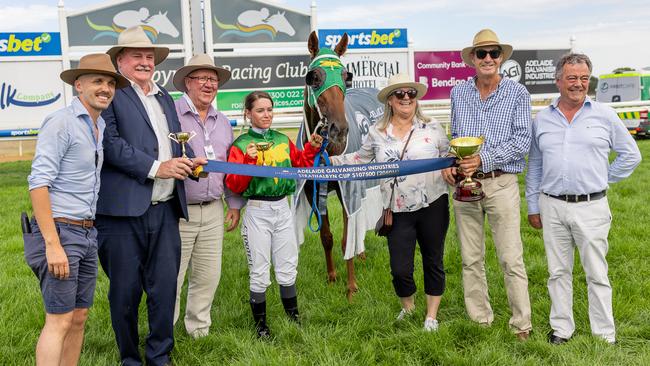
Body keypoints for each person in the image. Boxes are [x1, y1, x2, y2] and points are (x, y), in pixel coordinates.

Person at [95, 26, 206, 366]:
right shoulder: (111, 94)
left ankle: (160, 357)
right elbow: (110, 145)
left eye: (149, 57)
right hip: (122, 214)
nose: (145, 62)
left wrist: (187, 161)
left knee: (164, 290)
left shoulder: (165, 99)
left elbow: (175, 143)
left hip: (165, 210)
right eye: (136, 56)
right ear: (120, 60)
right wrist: (158, 167)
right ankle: (129, 359)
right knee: (125, 293)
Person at [526, 53, 641, 345]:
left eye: (584, 78)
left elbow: (631, 154)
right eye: (572, 78)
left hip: (592, 205)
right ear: (558, 80)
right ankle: (562, 329)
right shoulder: (542, 119)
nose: (578, 84)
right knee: (557, 271)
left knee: (597, 273)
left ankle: (604, 334)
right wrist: (532, 205)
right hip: (551, 204)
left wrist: (604, 178)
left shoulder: (604, 115)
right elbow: (535, 165)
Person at [24, 53, 128, 366]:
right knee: (59, 320)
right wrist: (53, 244)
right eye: (98, 81)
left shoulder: (96, 128)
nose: (106, 88)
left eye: (110, 83)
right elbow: (38, 184)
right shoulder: (62, 122)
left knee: (79, 317)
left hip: (86, 232)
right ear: (78, 85)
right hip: (62, 232)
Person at [331, 73, 450, 332]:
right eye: (400, 94)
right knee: (400, 268)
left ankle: (432, 315)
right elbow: (359, 160)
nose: (406, 98)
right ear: (390, 101)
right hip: (396, 208)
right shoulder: (377, 132)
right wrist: (329, 163)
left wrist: (454, 170)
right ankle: (407, 307)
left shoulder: (432, 127)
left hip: (433, 204)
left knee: (433, 260)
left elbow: (448, 156)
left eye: (411, 94)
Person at [441, 29, 533, 340]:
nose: (488, 58)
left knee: (510, 257)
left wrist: (483, 159)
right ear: (473, 59)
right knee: (470, 258)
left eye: (494, 53)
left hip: (500, 183)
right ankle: (480, 320)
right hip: (465, 188)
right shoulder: (458, 93)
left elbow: (522, 141)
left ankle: (522, 323)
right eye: (482, 54)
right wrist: (453, 167)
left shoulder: (518, 94)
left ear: (502, 57)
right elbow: (456, 137)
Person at [225, 91, 322, 338]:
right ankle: (261, 327)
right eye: (260, 110)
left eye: (269, 109)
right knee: (259, 269)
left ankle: (293, 318)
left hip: (283, 208)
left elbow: (300, 164)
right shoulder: (240, 145)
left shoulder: (281, 139)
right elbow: (234, 185)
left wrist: (311, 148)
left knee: (288, 266)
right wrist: (248, 161)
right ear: (248, 113)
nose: (266, 115)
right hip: (257, 211)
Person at [171, 54, 244, 338]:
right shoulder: (171, 115)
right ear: (188, 83)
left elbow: (229, 167)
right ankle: (166, 331)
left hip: (213, 209)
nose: (208, 84)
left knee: (208, 275)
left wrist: (234, 204)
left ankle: (199, 330)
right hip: (178, 210)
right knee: (172, 277)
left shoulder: (223, 122)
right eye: (202, 78)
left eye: (213, 79)